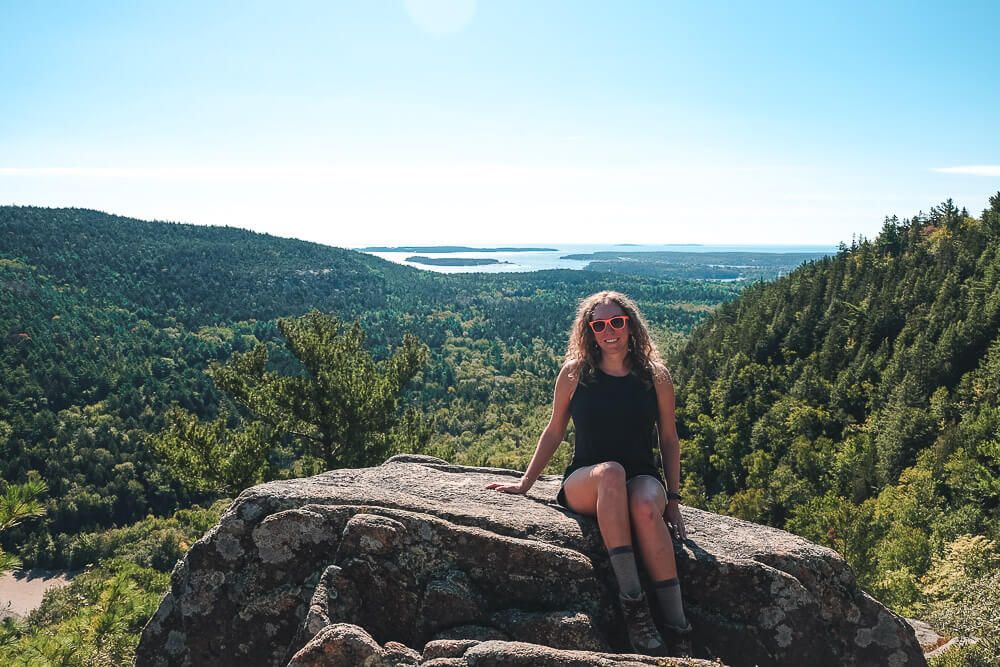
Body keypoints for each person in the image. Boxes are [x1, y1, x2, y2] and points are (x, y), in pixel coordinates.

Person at [487, 290, 691, 656]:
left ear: (631, 326)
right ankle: (635, 609)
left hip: (642, 475)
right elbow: (554, 431)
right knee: (611, 472)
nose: (609, 331)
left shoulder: (654, 377)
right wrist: (525, 483)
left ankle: (678, 629)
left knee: (646, 506)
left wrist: (673, 500)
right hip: (587, 480)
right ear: (589, 331)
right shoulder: (575, 373)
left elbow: (669, 439)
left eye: (617, 322)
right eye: (599, 325)